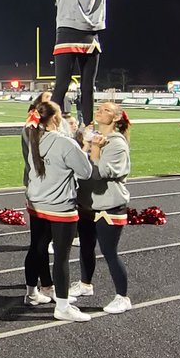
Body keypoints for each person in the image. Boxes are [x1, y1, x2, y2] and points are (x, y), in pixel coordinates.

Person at [22, 100, 94, 322]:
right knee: (61, 257)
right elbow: (85, 172)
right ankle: (62, 306)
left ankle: (32, 293)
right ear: (55, 118)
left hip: (36, 203)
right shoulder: (65, 143)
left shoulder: (32, 136)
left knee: (36, 248)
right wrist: (86, 149)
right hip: (59, 206)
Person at [70, 102, 133, 314]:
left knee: (109, 252)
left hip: (109, 206)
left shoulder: (117, 143)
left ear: (116, 118)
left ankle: (122, 297)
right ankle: (85, 284)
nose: (99, 111)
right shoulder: (93, 136)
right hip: (88, 203)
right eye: (98, 108)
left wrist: (95, 149)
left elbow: (99, 173)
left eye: (106, 110)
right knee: (86, 247)